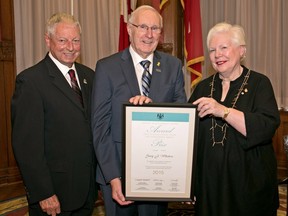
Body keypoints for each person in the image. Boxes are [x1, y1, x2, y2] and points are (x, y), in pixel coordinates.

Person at [91, 5, 187, 216]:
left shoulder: (173, 66)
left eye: (155, 28)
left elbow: (182, 120)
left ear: (161, 34)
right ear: (129, 29)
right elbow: (99, 128)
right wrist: (113, 177)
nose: (149, 34)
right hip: (117, 173)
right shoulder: (107, 67)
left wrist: (152, 111)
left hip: (158, 173)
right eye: (143, 27)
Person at [188, 22, 280, 216]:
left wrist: (224, 111)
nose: (217, 54)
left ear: (242, 51)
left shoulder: (260, 83)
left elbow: (266, 127)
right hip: (209, 187)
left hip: (249, 187)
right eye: (212, 50)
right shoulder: (202, 88)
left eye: (223, 47)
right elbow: (188, 137)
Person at [11, 13, 96, 216]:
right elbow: (27, 146)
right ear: (47, 40)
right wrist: (43, 193)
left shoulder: (89, 76)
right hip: (54, 195)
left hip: (87, 190)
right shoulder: (30, 82)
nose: (70, 46)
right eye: (62, 40)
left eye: (75, 40)